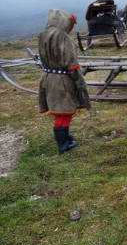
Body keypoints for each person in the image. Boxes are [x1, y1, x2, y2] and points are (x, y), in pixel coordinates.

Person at [37, 9, 91, 154]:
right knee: (63, 112)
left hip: (48, 77)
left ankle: (65, 139)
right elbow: (72, 65)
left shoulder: (43, 35)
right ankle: (63, 145)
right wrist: (80, 83)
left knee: (60, 111)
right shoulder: (64, 38)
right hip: (61, 81)